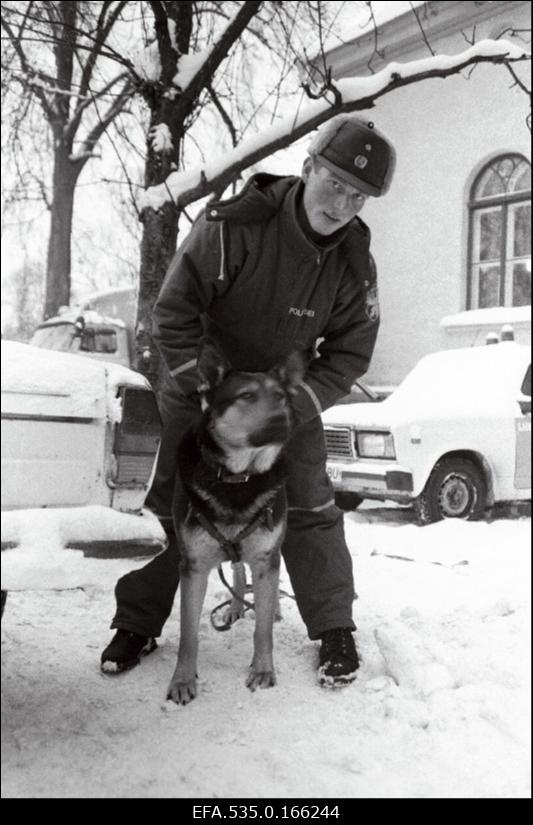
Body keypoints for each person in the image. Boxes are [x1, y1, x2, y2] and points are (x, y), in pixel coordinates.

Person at [101, 114, 396, 687]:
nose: (341, 204)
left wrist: (300, 402)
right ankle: (138, 621)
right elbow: (173, 310)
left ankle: (334, 626)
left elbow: (351, 352)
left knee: (311, 503)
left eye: (358, 197)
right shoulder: (236, 225)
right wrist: (200, 387)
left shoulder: (354, 262)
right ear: (308, 167)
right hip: (203, 387)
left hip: (285, 397)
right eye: (335, 183)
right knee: (167, 502)